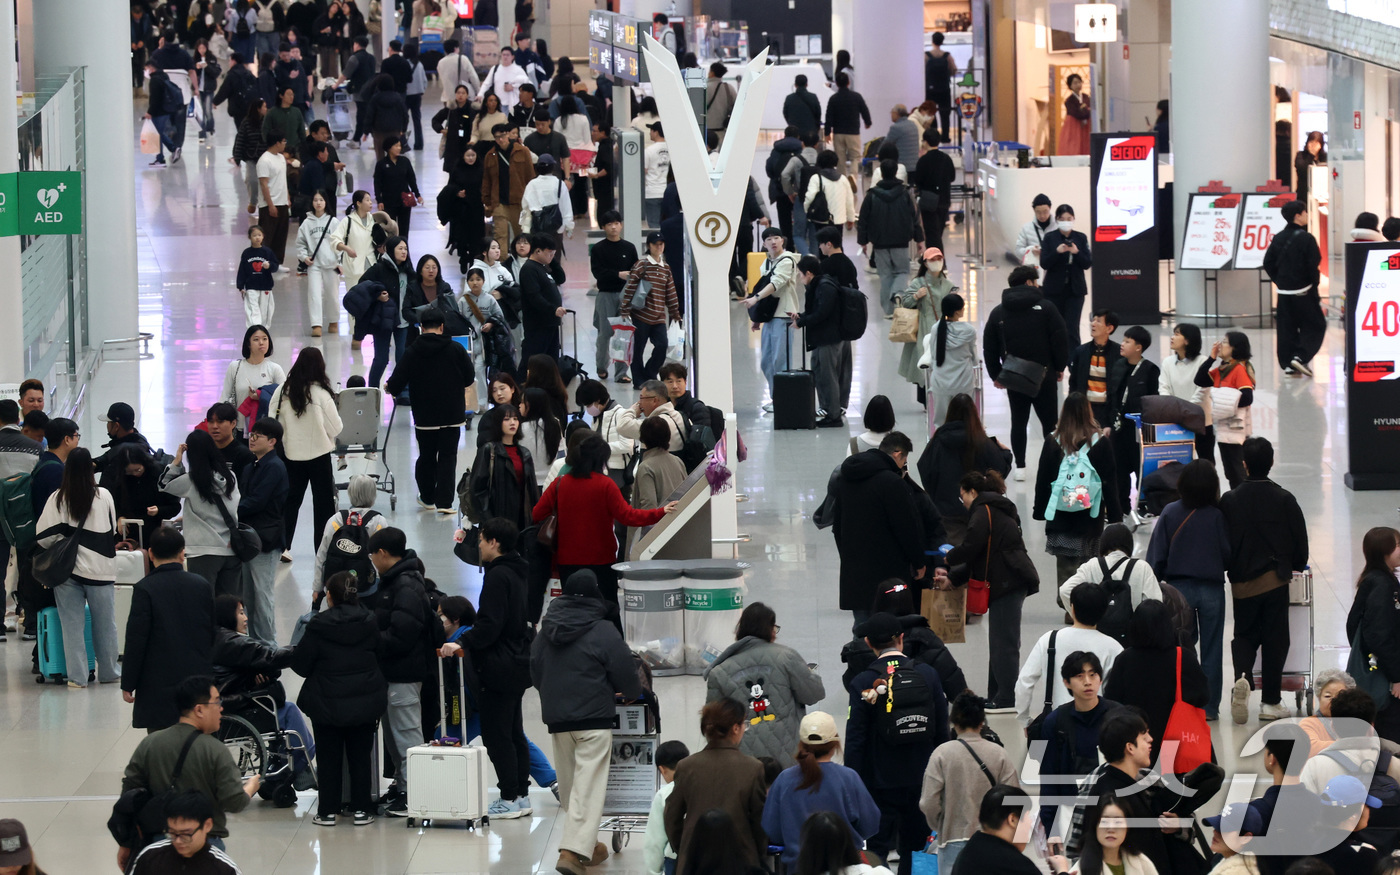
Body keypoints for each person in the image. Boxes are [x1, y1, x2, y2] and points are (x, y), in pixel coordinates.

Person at [532, 570, 644, 875]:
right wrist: (632, 692)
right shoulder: (603, 629)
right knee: (588, 786)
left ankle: (590, 846)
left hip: (557, 719)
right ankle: (570, 852)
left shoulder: (547, 629)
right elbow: (624, 669)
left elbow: (535, 668)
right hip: (593, 718)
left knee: (570, 788)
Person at [440, 519, 537, 818]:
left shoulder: (497, 577)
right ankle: (521, 793)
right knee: (513, 731)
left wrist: (461, 643)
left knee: (497, 734)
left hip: (498, 665)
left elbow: (490, 623)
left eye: (481, 540)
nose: (478, 544)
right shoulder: (520, 570)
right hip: (518, 659)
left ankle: (508, 796)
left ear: (494, 542)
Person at [845, 613, 950, 875]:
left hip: (878, 783)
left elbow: (856, 741)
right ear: (901, 639)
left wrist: (855, 787)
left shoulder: (862, 683)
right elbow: (941, 732)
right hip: (922, 779)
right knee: (918, 849)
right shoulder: (928, 675)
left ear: (869, 643)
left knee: (876, 849)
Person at [119, 676, 260, 866]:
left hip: (158, 845)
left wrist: (126, 843)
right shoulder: (216, 751)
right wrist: (250, 787)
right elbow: (235, 802)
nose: (221, 708)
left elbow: (129, 797)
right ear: (199, 709)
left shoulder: (150, 744)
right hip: (206, 845)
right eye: (217, 702)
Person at [1220, 437, 1308, 725]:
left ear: (1244, 464)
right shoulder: (1285, 499)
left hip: (1242, 583)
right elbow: (1300, 546)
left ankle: (1242, 679)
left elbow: (1223, 542)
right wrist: (1291, 565)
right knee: (1275, 639)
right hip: (1274, 580)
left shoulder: (1230, 500)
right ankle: (1271, 701)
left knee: (1244, 635)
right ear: (1271, 463)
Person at [533, 434, 673, 607]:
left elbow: (537, 513)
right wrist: (660, 512)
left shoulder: (560, 483)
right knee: (607, 608)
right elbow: (628, 516)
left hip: (567, 559)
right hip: (601, 560)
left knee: (573, 608)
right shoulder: (606, 485)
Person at [291, 570, 385, 827]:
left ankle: (328, 811)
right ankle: (362, 809)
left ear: (329, 596)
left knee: (329, 756)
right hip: (364, 699)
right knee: (360, 756)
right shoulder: (369, 620)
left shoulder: (319, 625)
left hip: (326, 701)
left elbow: (301, 664)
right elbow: (381, 652)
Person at [945, 470, 1039, 711]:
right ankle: (997, 694)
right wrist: (955, 577)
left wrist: (949, 558)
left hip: (1007, 583)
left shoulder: (982, 511)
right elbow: (981, 554)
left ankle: (1007, 697)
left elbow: (971, 547)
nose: (963, 502)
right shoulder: (995, 509)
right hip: (1008, 580)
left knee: (1004, 643)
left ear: (972, 492)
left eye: (962, 496)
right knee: (999, 642)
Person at [1146, 459, 1231, 721]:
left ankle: (1180, 701)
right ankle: (1210, 707)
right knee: (1213, 648)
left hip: (1177, 589)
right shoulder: (1217, 516)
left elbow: (1157, 555)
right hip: (1212, 589)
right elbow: (1228, 555)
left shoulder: (1171, 512)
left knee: (1179, 648)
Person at [365, 527, 438, 815]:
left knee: (408, 735)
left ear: (382, 553)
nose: (371, 560)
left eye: (372, 554)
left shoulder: (405, 585)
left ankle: (415, 793)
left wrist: (371, 640)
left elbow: (403, 633)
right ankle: (403, 785)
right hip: (392, 672)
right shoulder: (396, 581)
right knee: (395, 737)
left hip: (404, 674)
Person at [705, 602, 826, 770]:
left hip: (741, 763)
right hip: (788, 759)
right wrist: (807, 674)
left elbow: (712, 725)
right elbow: (815, 694)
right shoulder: (786, 657)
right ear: (769, 629)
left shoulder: (720, 671)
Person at [120, 525, 216, 731]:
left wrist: (128, 682)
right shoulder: (201, 585)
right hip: (197, 679)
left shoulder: (145, 589)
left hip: (158, 684)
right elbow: (212, 633)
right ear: (183, 554)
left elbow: (137, 639)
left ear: (151, 554)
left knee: (163, 747)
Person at [828, 433, 927, 629]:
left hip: (855, 570)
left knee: (863, 627)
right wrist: (918, 561)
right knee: (890, 628)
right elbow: (907, 527)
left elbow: (837, 525)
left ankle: (863, 658)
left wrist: (847, 557)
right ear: (898, 454)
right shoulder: (892, 483)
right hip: (888, 571)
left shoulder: (847, 478)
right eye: (904, 461)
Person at [762, 711, 880, 870]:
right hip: (844, 867)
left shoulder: (784, 780)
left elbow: (772, 831)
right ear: (835, 744)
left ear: (801, 744)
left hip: (798, 868)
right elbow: (870, 825)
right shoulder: (848, 778)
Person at [664, 698, 769, 874]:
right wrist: (757, 856)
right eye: (744, 724)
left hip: (693, 863)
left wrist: (684, 848)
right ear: (735, 728)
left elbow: (671, 815)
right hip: (741, 861)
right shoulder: (752, 767)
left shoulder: (686, 766)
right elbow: (759, 821)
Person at [984, 265, 1070, 478]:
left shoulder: (999, 312)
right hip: (1045, 375)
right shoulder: (1047, 308)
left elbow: (989, 346)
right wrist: (1060, 366)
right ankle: (1055, 464)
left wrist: (996, 375)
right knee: (1050, 424)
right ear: (1029, 283)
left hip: (1014, 377)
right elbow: (1060, 338)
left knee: (1019, 421)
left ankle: (1020, 467)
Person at [386, 309, 474, 513]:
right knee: (448, 457)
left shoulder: (412, 351)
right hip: (453, 414)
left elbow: (397, 384)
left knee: (426, 456)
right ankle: (445, 503)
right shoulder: (455, 348)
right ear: (442, 327)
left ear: (421, 328)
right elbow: (469, 378)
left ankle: (427, 497)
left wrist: (389, 387)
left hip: (425, 416)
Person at [920, 692, 1019, 874]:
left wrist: (942, 824)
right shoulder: (999, 754)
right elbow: (1014, 799)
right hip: (993, 840)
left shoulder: (942, 754)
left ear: (953, 723)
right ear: (982, 722)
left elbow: (928, 802)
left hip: (952, 840)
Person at [1033, 392, 1120, 588]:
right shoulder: (1100, 443)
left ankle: (1067, 604)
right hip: (1090, 518)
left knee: (1066, 564)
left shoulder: (1053, 441)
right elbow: (1109, 480)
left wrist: (1040, 511)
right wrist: (1115, 515)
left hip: (1061, 518)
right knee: (1089, 565)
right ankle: (1086, 605)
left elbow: (1043, 479)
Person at [1031, 651, 1121, 832]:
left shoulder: (1118, 716)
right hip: (1072, 812)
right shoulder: (1056, 722)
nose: (1087, 681)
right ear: (1066, 682)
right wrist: (1051, 828)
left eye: (1092, 674)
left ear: (1100, 679)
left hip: (1114, 810)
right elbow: (1049, 776)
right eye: (1080, 676)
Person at [1015, 582, 1123, 724]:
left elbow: (1025, 681)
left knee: (1037, 745)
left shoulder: (1049, 639)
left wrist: (1024, 719)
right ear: (1104, 611)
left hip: (1051, 721)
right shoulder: (1114, 648)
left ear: (1072, 608)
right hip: (1095, 727)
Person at [161, 431, 243, 597]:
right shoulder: (231, 477)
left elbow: (164, 484)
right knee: (229, 605)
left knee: (204, 602)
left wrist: (176, 461)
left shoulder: (192, 481)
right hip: (231, 549)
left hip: (203, 551)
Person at [235, 418, 287, 644]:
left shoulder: (275, 466)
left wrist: (229, 511)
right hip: (248, 538)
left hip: (266, 539)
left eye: (258, 436)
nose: (252, 439)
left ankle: (268, 647)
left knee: (262, 594)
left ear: (273, 441)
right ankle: (254, 643)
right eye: (252, 434)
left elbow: (257, 501)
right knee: (249, 597)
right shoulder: (251, 467)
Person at [1346, 527, 1400, 742]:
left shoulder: (1374, 579)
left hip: (1380, 669)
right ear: (1383, 550)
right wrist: (1395, 676)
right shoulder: (1382, 585)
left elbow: (1353, 625)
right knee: (1389, 736)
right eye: (1397, 545)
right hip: (1386, 679)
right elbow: (1378, 635)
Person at [1263, 200, 1326, 378]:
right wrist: (1313, 285)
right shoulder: (1307, 239)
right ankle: (1300, 356)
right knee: (1315, 325)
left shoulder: (1278, 237)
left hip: (1284, 293)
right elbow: (1313, 264)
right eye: (1305, 212)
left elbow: (1268, 262)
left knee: (1286, 328)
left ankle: (1288, 363)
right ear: (1297, 215)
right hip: (1304, 291)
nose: (1307, 215)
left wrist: (1280, 281)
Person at [859, 159, 924, 319]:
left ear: (881, 172)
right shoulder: (905, 194)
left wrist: (863, 241)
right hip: (901, 241)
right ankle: (898, 294)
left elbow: (863, 220)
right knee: (902, 271)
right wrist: (919, 239)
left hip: (879, 243)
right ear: (896, 172)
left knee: (885, 274)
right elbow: (915, 217)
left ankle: (889, 311)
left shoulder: (872, 195)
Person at [745, 228, 801, 409]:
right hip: (770, 317)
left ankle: (784, 400)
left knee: (781, 361)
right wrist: (758, 318)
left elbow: (775, 284)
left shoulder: (787, 260)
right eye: (769, 239)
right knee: (766, 361)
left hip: (784, 316)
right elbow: (766, 287)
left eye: (777, 237)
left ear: (782, 240)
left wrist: (755, 298)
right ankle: (776, 398)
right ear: (764, 244)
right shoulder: (767, 262)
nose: (773, 241)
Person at [1194, 331, 1257, 488]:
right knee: (1230, 472)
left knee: (1237, 471)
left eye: (1225, 342)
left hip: (1235, 429)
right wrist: (1211, 358)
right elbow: (1200, 379)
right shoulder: (1222, 370)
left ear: (1235, 348)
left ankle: (1243, 504)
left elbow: (1247, 397)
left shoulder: (1239, 369)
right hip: (1223, 428)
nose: (1220, 345)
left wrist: (1222, 401)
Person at [794, 255, 852, 427]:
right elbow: (817, 311)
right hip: (823, 338)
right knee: (820, 373)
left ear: (809, 273)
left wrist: (802, 322)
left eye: (800, 274)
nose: (799, 277)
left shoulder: (825, 287)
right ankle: (827, 408)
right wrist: (802, 316)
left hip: (829, 339)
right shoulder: (818, 285)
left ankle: (834, 416)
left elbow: (822, 313)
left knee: (829, 376)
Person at [1107, 325, 1160, 513]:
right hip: (1119, 429)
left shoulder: (1150, 370)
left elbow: (1154, 402)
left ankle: (1143, 506)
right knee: (1118, 470)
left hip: (1139, 431)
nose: (1122, 344)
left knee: (1141, 469)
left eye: (1127, 341)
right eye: (1123, 340)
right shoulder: (1118, 366)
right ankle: (1121, 508)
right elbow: (1112, 397)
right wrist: (1108, 423)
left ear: (1139, 347)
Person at [619, 231, 681, 386]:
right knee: (637, 350)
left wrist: (675, 313)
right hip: (641, 315)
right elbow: (630, 288)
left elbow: (670, 292)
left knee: (662, 345)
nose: (659, 247)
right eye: (655, 244)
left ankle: (650, 373)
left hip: (659, 316)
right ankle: (639, 380)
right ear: (649, 246)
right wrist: (625, 310)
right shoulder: (642, 265)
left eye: (661, 244)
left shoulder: (666, 268)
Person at [1057, 524, 1163, 613]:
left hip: (1098, 632)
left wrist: (1083, 619)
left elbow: (1065, 591)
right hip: (1132, 634)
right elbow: (1155, 603)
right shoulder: (1142, 567)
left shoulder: (1092, 565)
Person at [130, 790, 241, 875]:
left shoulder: (224, 869)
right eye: (172, 833)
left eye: (186, 834)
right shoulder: (150, 858)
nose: (178, 841)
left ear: (207, 825)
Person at [896, 249, 956, 404]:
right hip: (923, 327)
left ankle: (940, 397)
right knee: (924, 362)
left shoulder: (948, 284)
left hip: (943, 327)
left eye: (939, 258)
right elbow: (906, 303)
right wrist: (916, 296)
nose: (937, 262)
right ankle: (925, 399)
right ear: (925, 263)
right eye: (932, 259)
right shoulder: (918, 283)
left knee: (942, 362)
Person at [469, 403, 540, 533]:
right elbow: (477, 489)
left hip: (522, 519)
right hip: (497, 519)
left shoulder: (524, 453)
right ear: (498, 423)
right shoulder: (489, 451)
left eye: (515, 419)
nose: (512, 423)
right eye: (506, 419)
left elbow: (532, 489)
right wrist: (489, 520)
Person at [356, 235, 415, 386]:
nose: (404, 252)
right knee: (381, 359)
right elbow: (362, 284)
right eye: (400, 248)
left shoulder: (408, 270)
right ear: (390, 250)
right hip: (383, 321)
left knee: (403, 356)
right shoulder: (379, 269)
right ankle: (373, 389)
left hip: (403, 320)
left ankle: (402, 391)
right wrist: (377, 295)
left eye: (406, 249)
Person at [588, 211, 638, 383]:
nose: (614, 227)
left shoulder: (629, 247)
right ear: (603, 227)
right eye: (609, 224)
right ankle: (601, 365)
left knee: (624, 334)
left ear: (621, 225)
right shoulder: (598, 249)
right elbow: (597, 272)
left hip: (625, 295)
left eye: (616, 223)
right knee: (605, 333)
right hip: (606, 294)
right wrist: (618, 274)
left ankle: (621, 372)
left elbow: (636, 271)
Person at [1158, 323, 1214, 461]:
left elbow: (1202, 391)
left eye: (1177, 334)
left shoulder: (1203, 361)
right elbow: (1163, 388)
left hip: (1201, 423)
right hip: (1176, 423)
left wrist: (1184, 411)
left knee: (1206, 462)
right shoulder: (1167, 362)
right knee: (1178, 461)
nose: (1172, 337)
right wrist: (1175, 411)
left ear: (1188, 340)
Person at [1039, 205, 1093, 346]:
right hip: (1054, 290)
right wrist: (1057, 252)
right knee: (1055, 326)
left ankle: (1074, 362)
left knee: (1072, 328)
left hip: (1075, 290)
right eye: (1062, 218)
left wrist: (1076, 252)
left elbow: (1087, 263)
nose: (1066, 221)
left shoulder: (1080, 237)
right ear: (1056, 219)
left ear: (1074, 219)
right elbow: (1044, 263)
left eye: (1069, 218)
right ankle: (1056, 363)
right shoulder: (1050, 238)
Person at [1069, 795, 1160, 875]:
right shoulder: (1080, 870)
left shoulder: (1141, 862)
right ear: (1094, 826)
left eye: (1118, 822)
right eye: (1105, 821)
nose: (1111, 828)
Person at [482, 123, 537, 251]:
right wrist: (487, 201)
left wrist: (532, 200)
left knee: (521, 236)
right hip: (498, 202)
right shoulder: (490, 156)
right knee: (500, 236)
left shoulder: (522, 151)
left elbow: (530, 176)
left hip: (518, 201)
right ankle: (502, 265)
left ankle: (521, 264)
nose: (500, 140)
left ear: (508, 134)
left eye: (502, 136)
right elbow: (487, 180)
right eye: (496, 137)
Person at [221, 325, 285, 434]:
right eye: (256, 339)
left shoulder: (275, 369)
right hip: (239, 428)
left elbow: (284, 398)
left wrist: (261, 396)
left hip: (265, 431)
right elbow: (224, 397)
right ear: (248, 344)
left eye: (265, 339)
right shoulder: (235, 367)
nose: (261, 342)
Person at [295, 191, 341, 337]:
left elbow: (340, 243)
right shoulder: (306, 223)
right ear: (312, 203)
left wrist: (339, 262)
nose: (318, 203)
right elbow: (300, 243)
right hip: (314, 265)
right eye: (316, 200)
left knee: (332, 294)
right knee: (314, 294)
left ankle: (333, 321)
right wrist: (304, 257)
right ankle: (316, 325)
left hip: (331, 264)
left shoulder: (333, 222)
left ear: (326, 202)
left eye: (321, 200)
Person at [1068, 309, 1122, 427]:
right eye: (1093, 320)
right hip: (1085, 409)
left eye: (1098, 321)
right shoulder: (1081, 352)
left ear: (1109, 328)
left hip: (1107, 410)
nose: (1093, 323)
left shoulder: (1119, 354)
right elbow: (1073, 383)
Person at [518, 233, 567, 363]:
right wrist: (552, 309)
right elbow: (534, 296)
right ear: (538, 251)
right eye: (549, 253)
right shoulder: (529, 269)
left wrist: (552, 260)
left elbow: (561, 278)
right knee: (534, 360)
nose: (551, 256)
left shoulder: (543, 267)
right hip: (537, 324)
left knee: (551, 361)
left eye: (553, 253)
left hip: (551, 323)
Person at [643, 740, 689, 875]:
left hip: (675, 860)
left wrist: (653, 871)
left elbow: (655, 841)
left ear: (662, 769)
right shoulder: (701, 786)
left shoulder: (664, 794)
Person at [632, 417, 686, 512]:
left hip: (660, 524)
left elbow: (649, 505)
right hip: (679, 519)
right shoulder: (678, 461)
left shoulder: (646, 467)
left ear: (643, 438)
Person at [1299, 670, 1357, 757]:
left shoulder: (1355, 721)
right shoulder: (1308, 723)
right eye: (1328, 696)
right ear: (1319, 698)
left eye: (1339, 696)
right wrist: (1348, 745)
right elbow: (1311, 748)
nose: (1333, 701)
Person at [374, 136, 422, 236]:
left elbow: (411, 179)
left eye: (400, 146)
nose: (399, 148)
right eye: (396, 146)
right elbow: (377, 183)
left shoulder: (405, 161)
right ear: (389, 148)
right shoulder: (381, 164)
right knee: (390, 229)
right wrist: (379, 200)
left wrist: (417, 195)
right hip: (389, 201)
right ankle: (391, 249)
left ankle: (404, 249)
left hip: (404, 201)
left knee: (404, 229)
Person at [255, 132, 291, 263]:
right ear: (277, 143)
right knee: (267, 235)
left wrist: (287, 197)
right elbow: (264, 184)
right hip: (270, 204)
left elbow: (282, 180)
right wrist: (270, 205)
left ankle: (277, 262)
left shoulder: (281, 158)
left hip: (282, 202)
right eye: (283, 141)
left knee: (281, 235)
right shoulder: (264, 160)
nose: (285, 144)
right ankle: (263, 262)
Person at [234, 225, 279, 328]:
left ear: (263, 236)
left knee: (265, 310)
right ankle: (254, 329)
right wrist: (241, 286)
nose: (257, 237)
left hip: (265, 286)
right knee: (253, 309)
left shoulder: (267, 252)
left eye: (259, 235)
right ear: (250, 237)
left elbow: (275, 266)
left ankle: (263, 329)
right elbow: (242, 270)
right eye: (254, 235)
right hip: (251, 286)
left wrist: (270, 266)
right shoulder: (246, 253)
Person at [1015, 194, 1055, 270]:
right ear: (1034, 210)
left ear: (1050, 208)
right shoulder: (1026, 228)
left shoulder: (1057, 227)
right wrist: (1030, 250)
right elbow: (1018, 251)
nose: (1042, 215)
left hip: (1053, 272)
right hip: (1034, 271)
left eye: (1045, 211)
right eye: (1038, 212)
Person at [643, 123, 670, 227]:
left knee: (654, 225)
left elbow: (644, 171)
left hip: (652, 192)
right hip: (667, 192)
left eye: (651, 130)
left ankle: (656, 243)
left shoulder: (649, 151)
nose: (650, 133)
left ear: (656, 132)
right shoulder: (671, 149)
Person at [1059, 74, 1091, 156]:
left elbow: (1089, 109)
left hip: (1086, 125)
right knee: (1074, 144)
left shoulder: (1086, 97)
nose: (1078, 85)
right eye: (1075, 83)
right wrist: (1085, 111)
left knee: (1086, 143)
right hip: (1074, 125)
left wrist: (1084, 111)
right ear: (1070, 86)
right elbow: (1075, 112)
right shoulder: (1069, 100)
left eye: (1079, 82)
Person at [782, 74, 823, 138]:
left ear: (795, 85)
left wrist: (791, 124)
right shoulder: (813, 97)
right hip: (810, 132)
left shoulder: (789, 98)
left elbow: (785, 113)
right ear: (807, 84)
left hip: (794, 132)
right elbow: (818, 113)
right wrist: (816, 127)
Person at [1295, 130, 1325, 204]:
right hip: (1304, 194)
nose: (1313, 146)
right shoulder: (1300, 155)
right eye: (1311, 142)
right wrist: (1311, 155)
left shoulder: (1324, 157)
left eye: (1316, 143)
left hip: (1322, 194)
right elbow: (1302, 169)